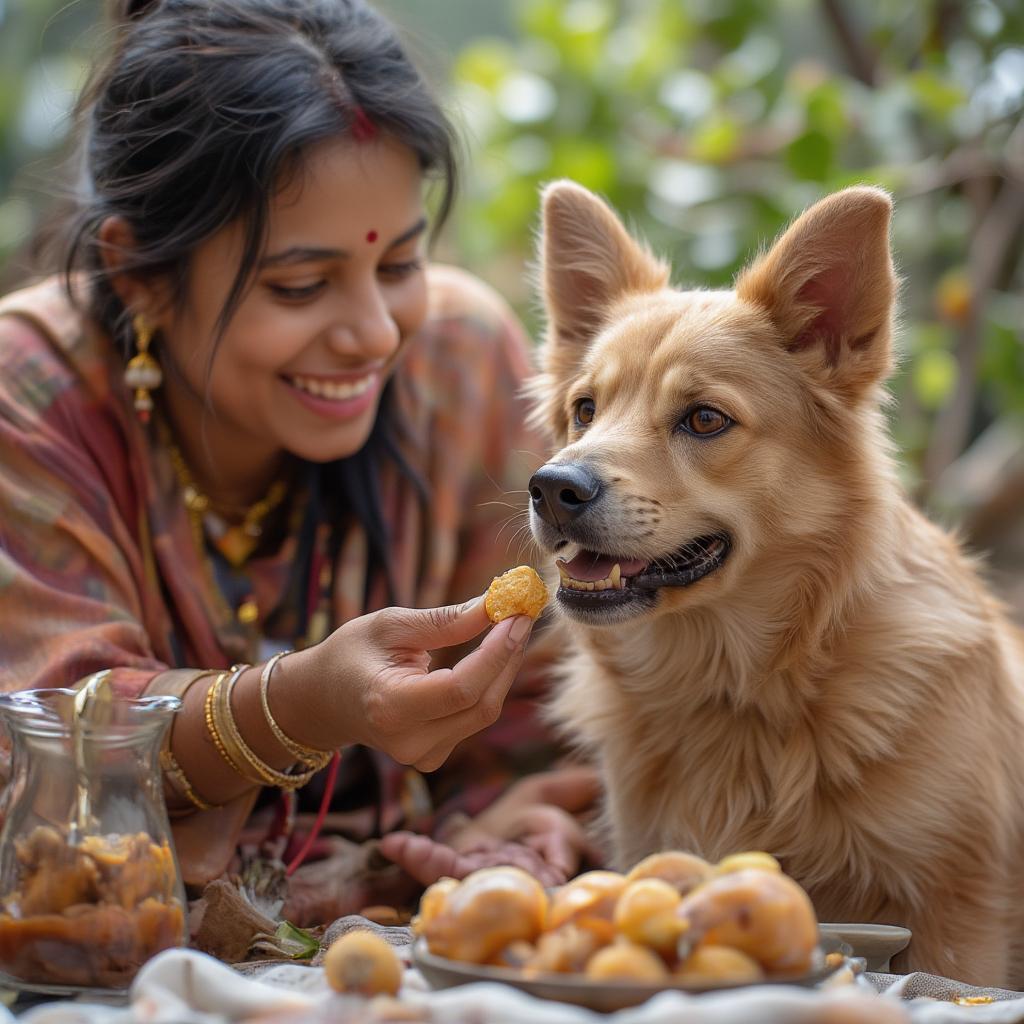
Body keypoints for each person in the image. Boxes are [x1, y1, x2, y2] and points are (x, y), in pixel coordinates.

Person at [0, 0, 598, 923]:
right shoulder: (27, 395)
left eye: (398, 265)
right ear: (139, 276)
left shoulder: (458, 361)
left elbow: (540, 715)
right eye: (301, 285)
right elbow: (56, 742)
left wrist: (509, 824)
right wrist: (302, 706)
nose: (372, 334)